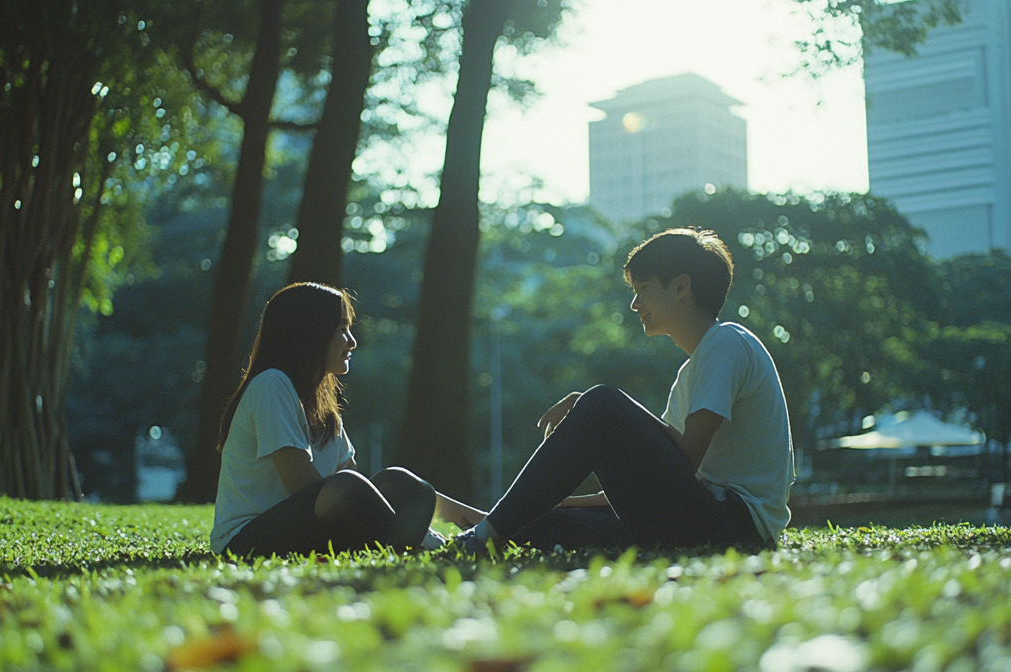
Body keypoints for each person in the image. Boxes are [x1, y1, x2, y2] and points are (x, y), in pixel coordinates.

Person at [457, 227, 793, 554]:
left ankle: (482, 535)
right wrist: (556, 498)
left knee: (603, 401)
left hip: (734, 526)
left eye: (643, 287)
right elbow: (653, 481)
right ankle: (461, 536)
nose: (635, 304)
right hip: (702, 519)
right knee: (545, 519)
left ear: (680, 287)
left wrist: (604, 411)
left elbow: (685, 459)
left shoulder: (726, 343)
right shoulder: (690, 373)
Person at [211, 282, 486, 558]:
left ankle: (422, 539)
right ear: (309, 332)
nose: (352, 341)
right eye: (342, 328)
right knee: (345, 487)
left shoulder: (322, 406)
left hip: (310, 527)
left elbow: (366, 492)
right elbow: (307, 488)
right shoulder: (272, 385)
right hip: (245, 541)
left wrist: (481, 520)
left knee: (402, 484)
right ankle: (420, 543)